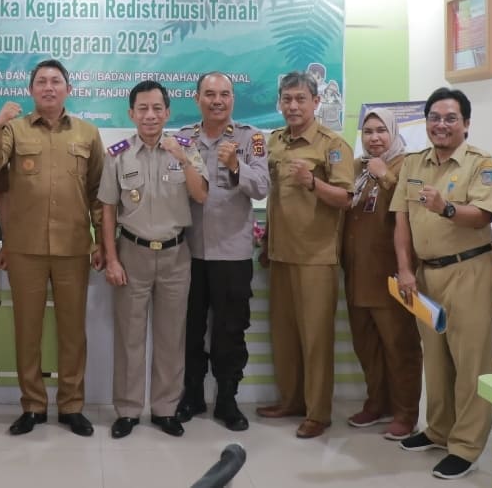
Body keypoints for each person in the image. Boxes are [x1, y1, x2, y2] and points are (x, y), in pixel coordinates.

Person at [0, 59, 104, 437]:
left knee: (72, 332)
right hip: (25, 249)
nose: (49, 87)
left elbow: (98, 194)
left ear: (68, 88)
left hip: (72, 247)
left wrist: (101, 242)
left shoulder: (87, 133)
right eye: (41, 82)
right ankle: (32, 405)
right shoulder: (14, 130)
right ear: (31, 90)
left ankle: (71, 406)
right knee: (27, 330)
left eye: (56, 81)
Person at [391, 87, 492, 480]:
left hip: (470, 271)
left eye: (451, 118)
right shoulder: (413, 163)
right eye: (434, 117)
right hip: (425, 274)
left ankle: (467, 446)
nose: (441, 124)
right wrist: (405, 269)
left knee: (471, 361)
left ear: (466, 124)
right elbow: (401, 221)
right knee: (435, 360)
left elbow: (484, 215)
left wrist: (446, 207)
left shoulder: (479, 163)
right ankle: (438, 430)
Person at [100, 80, 208, 439]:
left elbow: (201, 195)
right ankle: (128, 410)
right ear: (131, 114)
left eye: (157, 108)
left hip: (177, 255)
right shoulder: (117, 154)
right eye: (142, 109)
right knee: (130, 337)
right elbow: (107, 210)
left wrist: (181, 159)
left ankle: (165, 409)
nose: (150, 115)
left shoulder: (187, 148)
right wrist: (112, 259)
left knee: (171, 337)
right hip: (132, 254)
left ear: (168, 112)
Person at [257, 71, 354, 439]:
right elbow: (273, 198)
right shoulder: (275, 142)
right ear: (279, 103)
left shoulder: (332, 145)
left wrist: (313, 182)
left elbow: (347, 198)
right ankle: (291, 400)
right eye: (287, 99)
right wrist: (267, 241)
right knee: (284, 336)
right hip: (280, 253)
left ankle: (318, 412)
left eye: (300, 99)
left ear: (315, 102)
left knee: (315, 338)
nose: (293, 106)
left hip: (317, 255)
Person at [174, 72, 268, 431]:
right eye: (210, 94)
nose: (217, 100)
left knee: (231, 330)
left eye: (225, 94)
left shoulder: (252, 139)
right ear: (197, 98)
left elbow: (261, 187)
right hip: (189, 253)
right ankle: (193, 395)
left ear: (233, 99)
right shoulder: (182, 140)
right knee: (190, 329)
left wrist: (235, 165)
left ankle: (227, 400)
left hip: (232, 254)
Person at [340, 108, 422, 441]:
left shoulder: (408, 165)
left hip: (390, 273)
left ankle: (406, 413)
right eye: (368, 131)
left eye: (380, 131)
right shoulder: (357, 168)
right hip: (357, 272)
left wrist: (385, 175)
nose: (374, 138)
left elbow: (411, 207)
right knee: (366, 344)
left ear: (393, 132)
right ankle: (377, 403)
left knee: (399, 345)